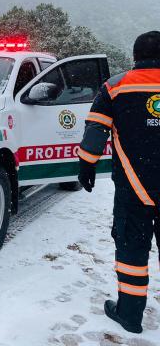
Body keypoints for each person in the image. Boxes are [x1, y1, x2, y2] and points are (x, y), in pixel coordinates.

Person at [77, 31, 160, 334]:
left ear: (136, 56)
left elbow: (96, 130)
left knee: (132, 253)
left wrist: (86, 166)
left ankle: (130, 314)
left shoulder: (116, 86)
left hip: (133, 188)